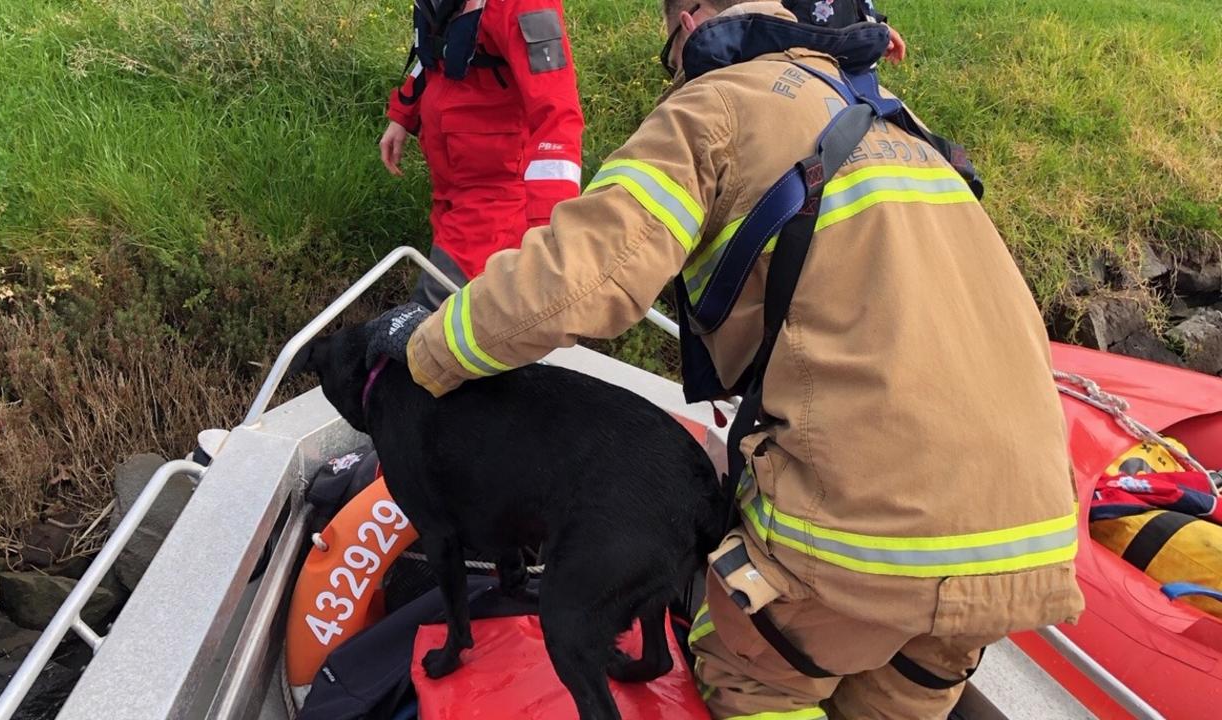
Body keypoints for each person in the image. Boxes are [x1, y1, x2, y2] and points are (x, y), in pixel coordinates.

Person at [365, 1, 1085, 717]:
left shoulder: (714, 107)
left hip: (868, 534)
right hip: (1030, 540)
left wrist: (425, 349)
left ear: (691, 21)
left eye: (666, 49)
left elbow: (577, 277)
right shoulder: (895, 115)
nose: (673, 66)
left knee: (750, 672)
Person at [379, 0, 585, 309]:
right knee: (448, 307)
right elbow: (434, 53)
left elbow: (557, 113)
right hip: (452, 186)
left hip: (497, 200)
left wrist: (548, 230)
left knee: (431, 311)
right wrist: (403, 114)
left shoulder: (525, 6)